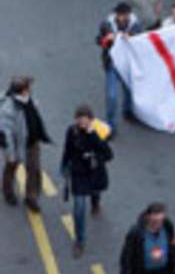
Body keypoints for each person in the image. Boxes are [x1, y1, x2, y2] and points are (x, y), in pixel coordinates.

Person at [60, 104, 113, 257]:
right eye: (79, 120)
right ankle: (80, 240)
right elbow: (68, 149)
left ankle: (95, 204)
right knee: (78, 209)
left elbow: (108, 154)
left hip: (95, 172)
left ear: (91, 120)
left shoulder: (98, 132)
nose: (82, 123)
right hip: (79, 174)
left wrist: (93, 137)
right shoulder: (72, 131)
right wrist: (64, 166)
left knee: (95, 192)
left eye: (85, 121)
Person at [0, 76, 51, 212]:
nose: (30, 89)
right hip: (17, 145)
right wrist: (10, 154)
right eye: (28, 87)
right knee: (11, 168)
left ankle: (31, 198)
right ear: (22, 91)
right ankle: (8, 192)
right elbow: (6, 134)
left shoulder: (29, 100)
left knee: (34, 170)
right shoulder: (8, 109)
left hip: (32, 142)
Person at [97, 2, 142, 132]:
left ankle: (127, 111)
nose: (122, 18)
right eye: (120, 15)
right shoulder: (106, 25)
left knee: (129, 90)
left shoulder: (135, 25)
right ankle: (111, 124)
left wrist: (132, 37)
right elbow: (99, 41)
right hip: (112, 64)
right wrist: (107, 39)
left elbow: (141, 40)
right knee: (111, 95)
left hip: (128, 63)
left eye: (125, 15)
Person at [120, 202, 175, 274]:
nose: (158, 225)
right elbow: (126, 257)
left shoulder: (167, 227)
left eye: (160, 221)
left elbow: (173, 246)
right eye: (154, 221)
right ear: (147, 217)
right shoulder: (136, 233)